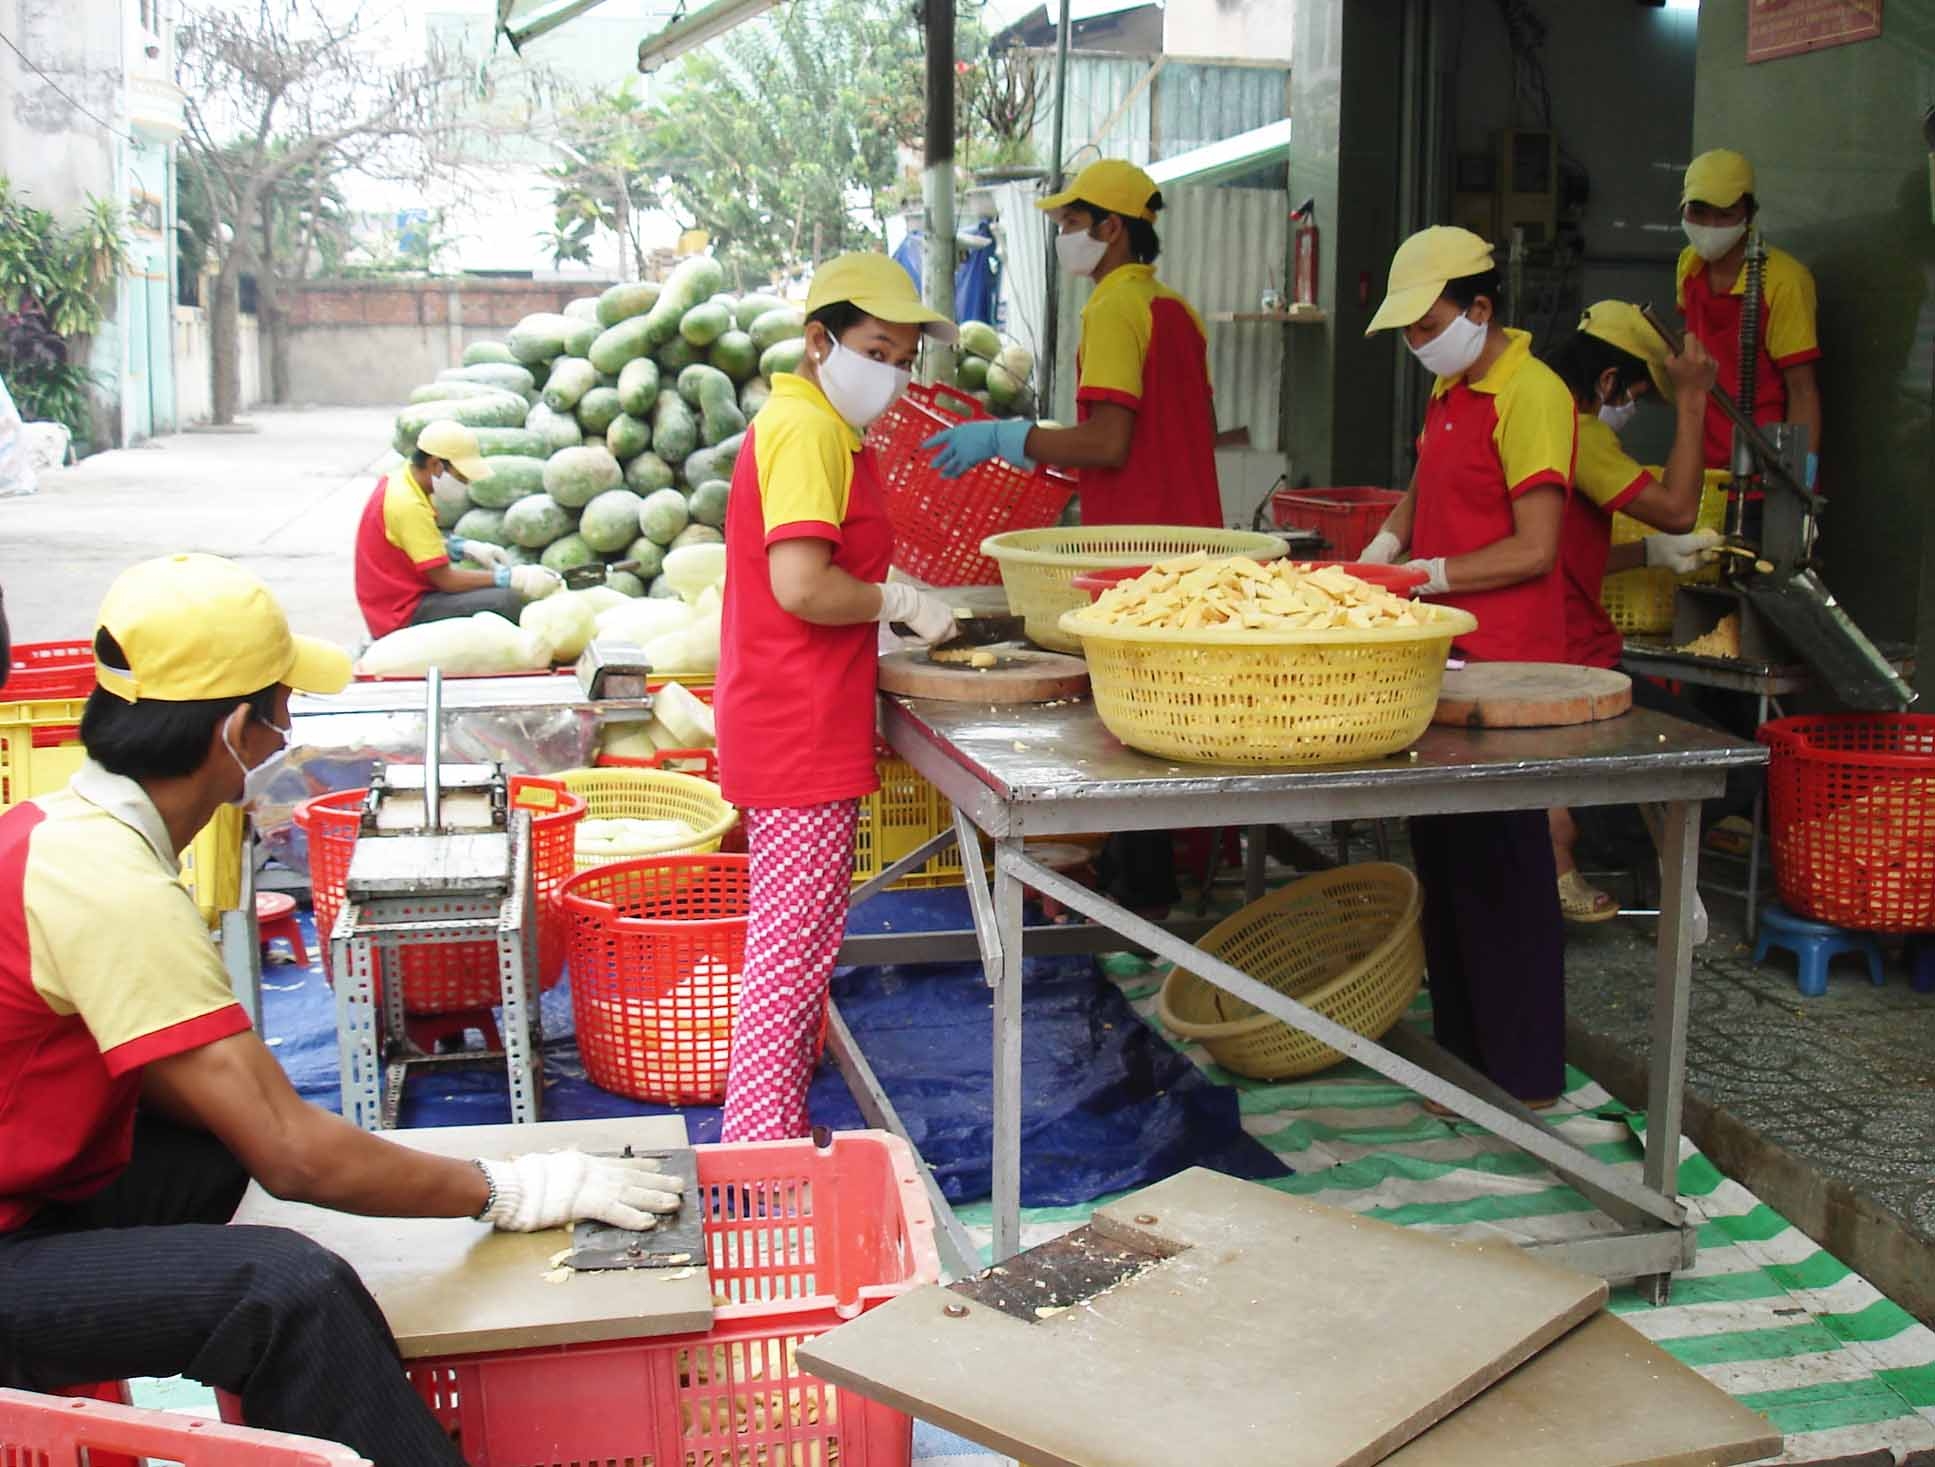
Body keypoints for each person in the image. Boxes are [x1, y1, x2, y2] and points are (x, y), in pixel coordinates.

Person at [0, 553, 686, 1466]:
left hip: (29, 1182)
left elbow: (232, 1118)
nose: (289, 729)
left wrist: (313, 1142)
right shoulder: (109, 884)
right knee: (290, 1291)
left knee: (214, 1157)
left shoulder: (58, 830)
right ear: (238, 731)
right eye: (282, 708)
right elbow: (290, 1155)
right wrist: (515, 1187)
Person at [925, 157, 1220, 916]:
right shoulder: (1175, 311)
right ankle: (1149, 873)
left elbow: (1108, 442)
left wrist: (1010, 437)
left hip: (1136, 555)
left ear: (1111, 228)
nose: (1061, 236)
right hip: (1194, 545)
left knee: (1133, 716)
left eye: (1068, 224)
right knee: (1172, 717)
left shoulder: (1114, 309)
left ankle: (1141, 890)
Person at [714, 254, 959, 1143]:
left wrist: (882, 610)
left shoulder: (810, 422)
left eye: (903, 358)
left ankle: (763, 1141)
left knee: (796, 947)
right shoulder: (810, 430)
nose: (892, 374)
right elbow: (804, 587)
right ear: (819, 341)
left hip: (792, 715)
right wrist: (892, 600)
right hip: (797, 727)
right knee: (790, 954)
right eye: (877, 349)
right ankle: (759, 1157)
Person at [1360, 226, 1575, 1107]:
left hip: (1508, 667)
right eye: (1405, 331)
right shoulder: (1452, 390)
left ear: (1479, 308)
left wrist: (1426, 575)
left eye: (1427, 324)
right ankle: (1461, 1065)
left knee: (1505, 878)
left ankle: (1522, 1078)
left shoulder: (1531, 392)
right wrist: (1382, 548)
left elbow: (1535, 547)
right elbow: (1426, 485)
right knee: (1445, 866)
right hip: (1442, 662)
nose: (1416, 344)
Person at [1544, 301, 1720, 922]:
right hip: (1570, 656)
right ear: (1609, 382)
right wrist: (1694, 400)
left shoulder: (1531, 408)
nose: (1631, 412)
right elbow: (1677, 507)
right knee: (1720, 764)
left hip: (1555, 638)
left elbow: (1554, 552)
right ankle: (1560, 836)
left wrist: (1645, 552)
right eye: (1638, 396)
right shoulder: (1578, 429)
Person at [1677, 148, 1822, 491]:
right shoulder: (1688, 265)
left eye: (1725, 214)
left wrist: (1800, 484)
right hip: (1701, 466)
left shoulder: (1784, 281)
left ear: (1750, 212)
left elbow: (1802, 391)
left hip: (1763, 466)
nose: (1710, 226)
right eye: (1698, 211)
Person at [354, 419, 560, 640]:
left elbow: (408, 541)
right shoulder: (408, 505)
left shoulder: (401, 478)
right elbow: (446, 581)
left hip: (394, 599)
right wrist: (509, 578)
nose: (465, 485)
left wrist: (463, 548)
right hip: (401, 615)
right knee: (504, 602)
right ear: (435, 465)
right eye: (461, 477)